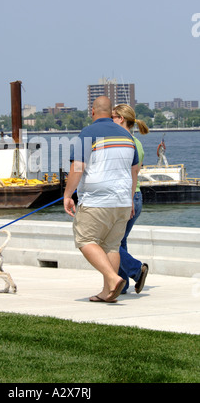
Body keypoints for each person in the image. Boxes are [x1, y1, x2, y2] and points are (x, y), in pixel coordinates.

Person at [64, 96, 140, 303]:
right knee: (111, 246)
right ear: (111, 112)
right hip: (123, 201)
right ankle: (108, 293)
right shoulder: (127, 136)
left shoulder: (88, 133)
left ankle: (112, 279)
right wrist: (131, 199)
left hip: (97, 200)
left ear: (93, 112)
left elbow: (78, 167)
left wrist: (68, 194)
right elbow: (134, 171)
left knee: (85, 240)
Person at [112, 104, 149, 294]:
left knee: (109, 242)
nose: (110, 121)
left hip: (129, 196)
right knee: (120, 240)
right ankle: (122, 283)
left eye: (113, 117)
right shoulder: (137, 142)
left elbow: (133, 172)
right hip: (136, 196)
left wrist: (128, 199)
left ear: (121, 119)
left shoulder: (125, 142)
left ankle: (136, 270)